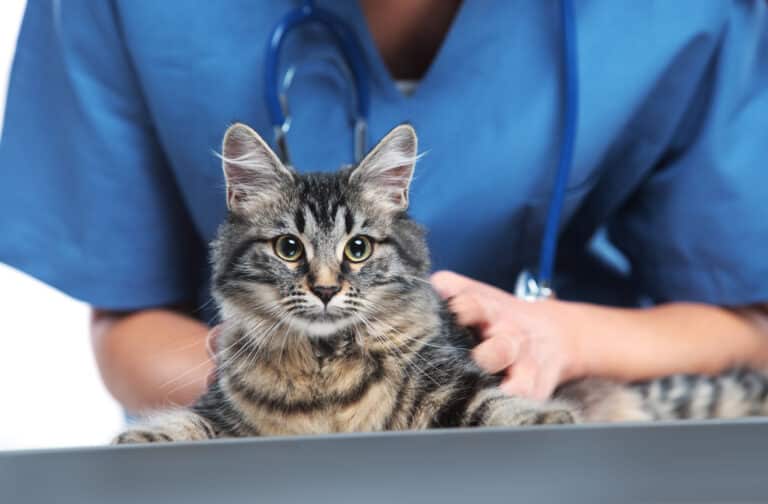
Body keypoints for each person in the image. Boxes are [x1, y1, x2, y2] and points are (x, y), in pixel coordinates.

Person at [1, 0, 767, 414]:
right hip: (263, 459)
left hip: (579, 436)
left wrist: (560, 336)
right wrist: (283, 391)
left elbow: (751, 323)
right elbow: (126, 314)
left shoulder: (690, 13)